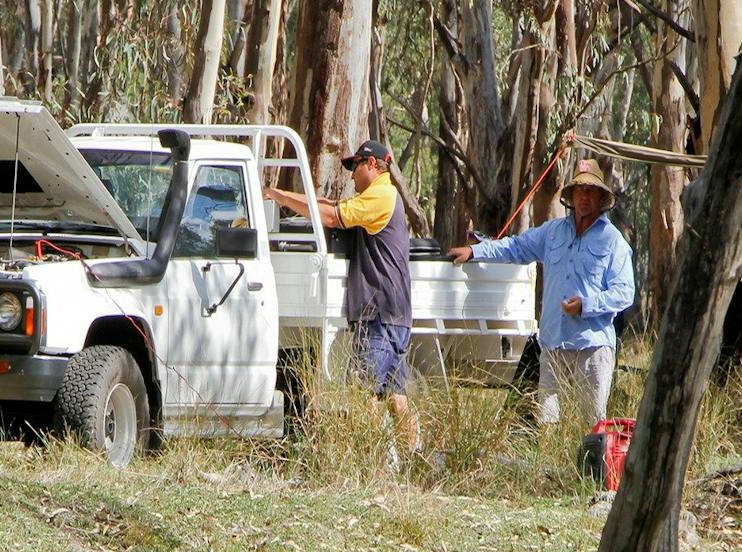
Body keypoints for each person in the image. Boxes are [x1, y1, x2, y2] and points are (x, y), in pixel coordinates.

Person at [448, 158, 635, 430]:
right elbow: (515, 247)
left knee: (591, 425)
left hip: (592, 347)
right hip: (553, 344)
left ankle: (590, 460)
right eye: (580, 190)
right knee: (547, 423)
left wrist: (586, 305)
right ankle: (550, 460)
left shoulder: (613, 240)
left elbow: (624, 292)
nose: (584, 196)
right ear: (571, 195)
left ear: (600, 197)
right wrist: (475, 251)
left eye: (591, 191)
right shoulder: (553, 232)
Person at [263, 138, 417, 454]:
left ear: (372, 164)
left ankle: (369, 463)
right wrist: (280, 195)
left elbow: (333, 216)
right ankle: (412, 460)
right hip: (394, 314)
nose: (351, 175)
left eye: (355, 166)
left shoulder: (381, 197)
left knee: (363, 395)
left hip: (377, 313)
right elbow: (327, 204)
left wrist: (281, 197)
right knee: (396, 397)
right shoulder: (381, 196)